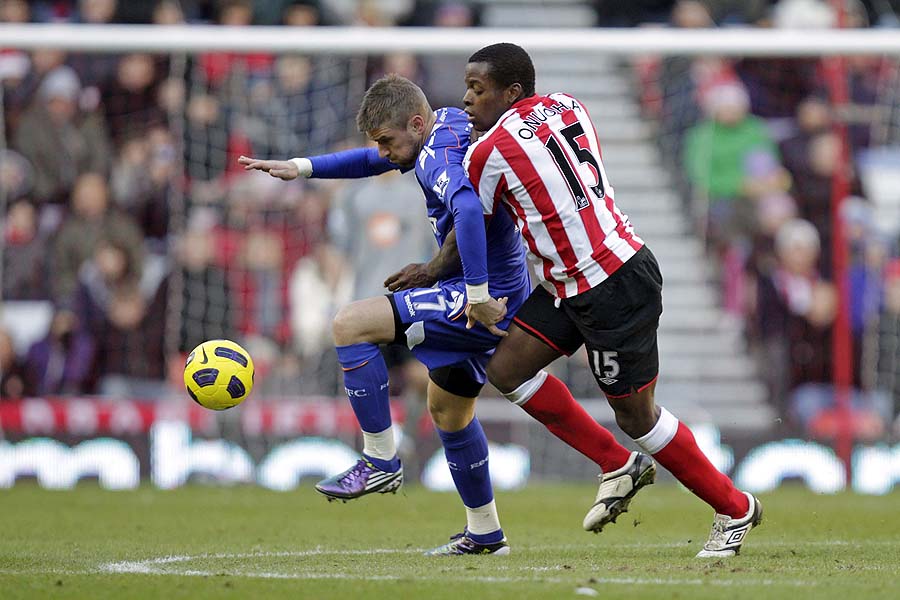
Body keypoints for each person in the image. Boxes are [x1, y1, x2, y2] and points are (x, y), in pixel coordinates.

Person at [461, 43, 762, 558]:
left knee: (636, 417)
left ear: (511, 93)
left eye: (478, 89)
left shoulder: (486, 155)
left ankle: (735, 509)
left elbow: (476, 227)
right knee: (508, 369)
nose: (467, 99)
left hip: (612, 285)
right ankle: (617, 464)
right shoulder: (568, 104)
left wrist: (461, 284)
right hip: (571, 281)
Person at [239, 74, 527, 556]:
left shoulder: (436, 159)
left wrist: (476, 293)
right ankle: (485, 533)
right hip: (493, 285)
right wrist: (300, 167)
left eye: (389, 141)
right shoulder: (448, 125)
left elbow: (470, 210)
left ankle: (379, 460)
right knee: (448, 413)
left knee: (349, 324)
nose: (385, 152)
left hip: (483, 293)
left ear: (415, 124)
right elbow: (371, 161)